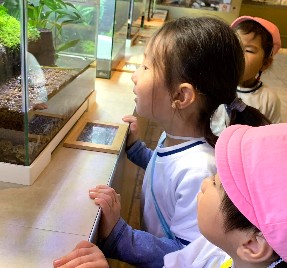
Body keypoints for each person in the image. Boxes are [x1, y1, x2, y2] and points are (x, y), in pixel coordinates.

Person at [54, 16, 269, 268]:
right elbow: (165, 170)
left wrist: (121, 237)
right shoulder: (177, 137)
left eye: (146, 67)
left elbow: (186, 253)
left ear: (180, 95)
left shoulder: (199, 170)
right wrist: (137, 149)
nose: (135, 76)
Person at [53, 124, 287, 268]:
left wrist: (119, 238)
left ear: (252, 244)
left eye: (218, 183)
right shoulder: (215, 250)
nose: (206, 181)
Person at [212, 16, 281, 135]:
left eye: (248, 50)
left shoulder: (269, 99)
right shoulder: (214, 86)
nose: (237, 54)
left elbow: (273, 135)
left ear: (265, 63)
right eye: (234, 46)